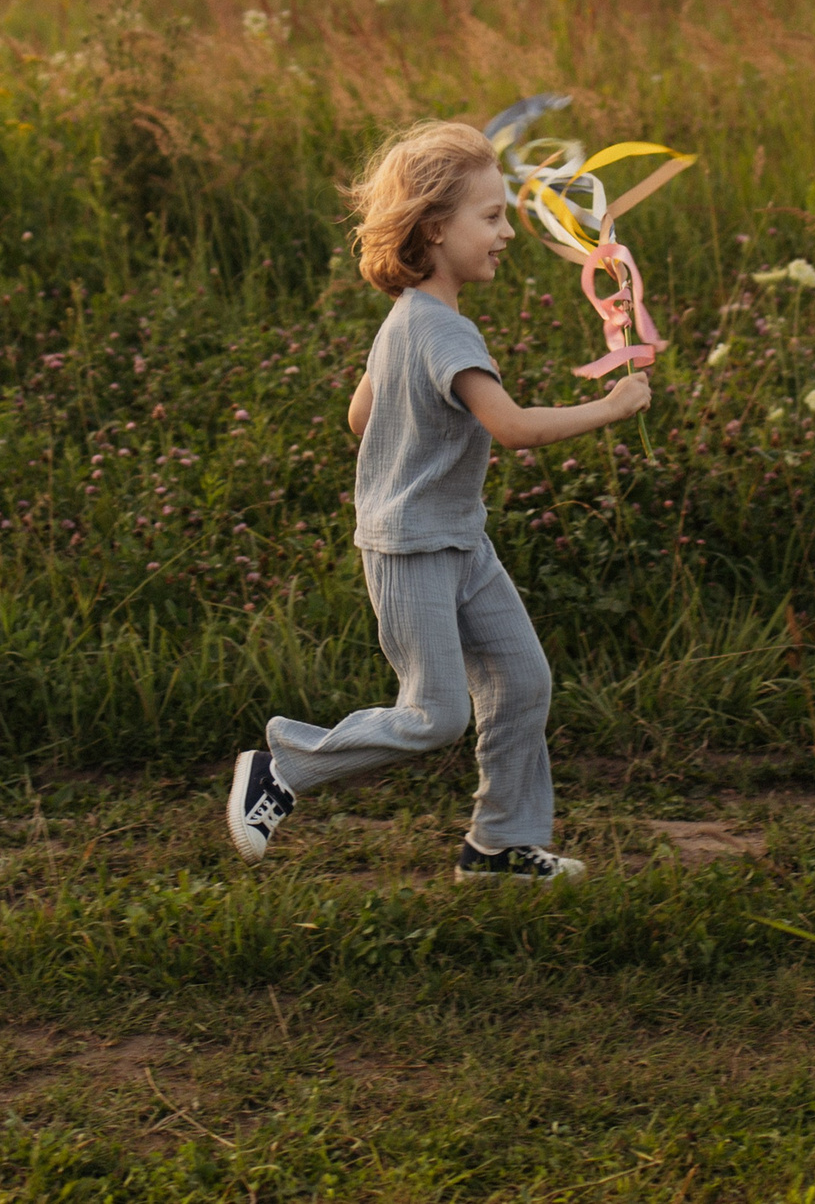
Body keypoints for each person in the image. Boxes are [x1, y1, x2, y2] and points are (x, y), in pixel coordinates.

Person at [225, 118, 650, 881]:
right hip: (411, 551)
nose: (506, 234)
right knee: (434, 716)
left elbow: (359, 417)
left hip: (458, 540)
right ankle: (284, 767)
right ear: (433, 228)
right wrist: (611, 408)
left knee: (523, 680)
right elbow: (512, 428)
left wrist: (408, 440)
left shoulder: (411, 323)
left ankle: (499, 846)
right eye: (489, 218)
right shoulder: (444, 334)